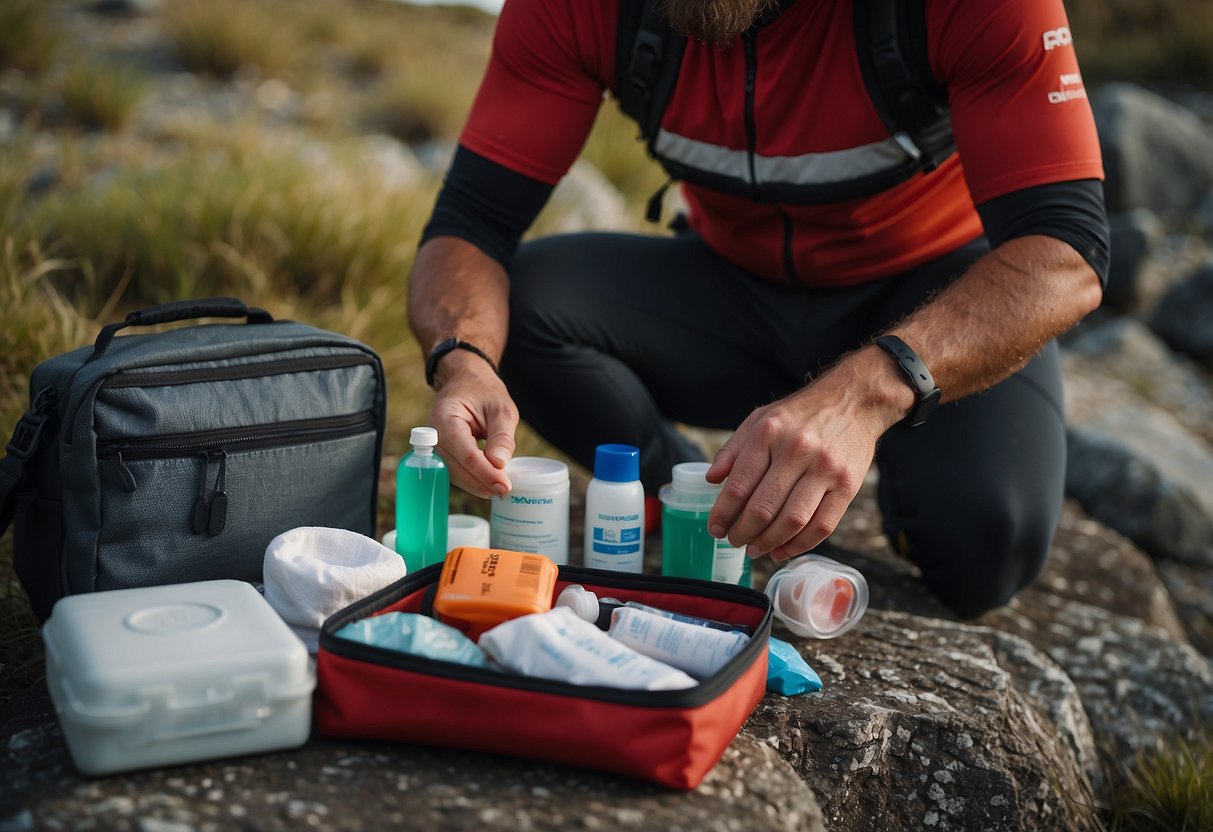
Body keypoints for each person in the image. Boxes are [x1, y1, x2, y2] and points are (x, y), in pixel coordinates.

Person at [407, 0, 1109, 618]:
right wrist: (460, 361)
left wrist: (864, 398)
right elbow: (472, 220)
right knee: (520, 307)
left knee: (988, 545)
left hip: (924, 304)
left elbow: (1065, 252)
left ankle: (893, 459)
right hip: (728, 290)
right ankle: (687, 487)